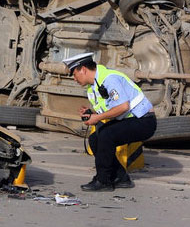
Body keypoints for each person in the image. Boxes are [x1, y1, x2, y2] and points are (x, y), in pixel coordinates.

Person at [64, 52, 156, 191]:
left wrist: (97, 118)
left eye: (74, 74)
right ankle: (121, 178)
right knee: (95, 138)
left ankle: (103, 181)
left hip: (143, 120)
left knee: (107, 136)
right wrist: (91, 115)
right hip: (129, 119)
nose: (74, 79)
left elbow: (123, 106)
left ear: (83, 69)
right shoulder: (93, 86)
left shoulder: (109, 79)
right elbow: (109, 109)